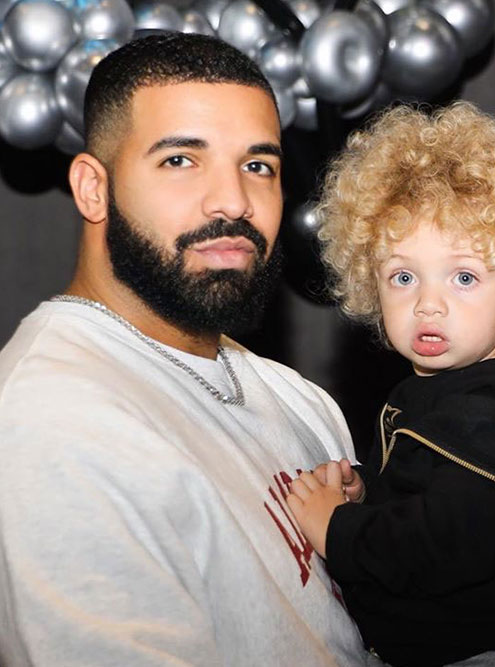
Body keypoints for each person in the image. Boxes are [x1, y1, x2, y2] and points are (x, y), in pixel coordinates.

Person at [0, 34, 375, 666]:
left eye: (259, 165)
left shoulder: (301, 400)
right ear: (93, 189)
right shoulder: (51, 417)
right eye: (181, 160)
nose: (232, 200)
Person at [286, 103, 495, 667]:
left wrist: (336, 527)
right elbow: (433, 494)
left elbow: (435, 546)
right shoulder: (443, 398)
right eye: (403, 276)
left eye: (464, 276)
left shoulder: (490, 417)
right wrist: (368, 491)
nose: (428, 303)